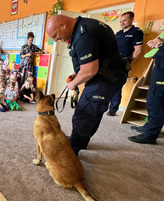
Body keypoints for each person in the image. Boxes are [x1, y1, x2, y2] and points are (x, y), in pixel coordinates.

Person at [46, 15, 128, 156]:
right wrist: (76, 74)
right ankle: (81, 142)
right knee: (93, 113)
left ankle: (73, 150)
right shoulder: (84, 26)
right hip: (105, 76)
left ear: (62, 24)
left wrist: (73, 83)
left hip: (105, 79)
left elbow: (90, 70)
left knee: (84, 113)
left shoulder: (85, 34)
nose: (54, 40)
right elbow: (91, 59)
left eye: (55, 35)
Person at [128, 36, 164, 144]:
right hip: (160, 67)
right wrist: (160, 43)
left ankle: (150, 135)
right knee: (152, 100)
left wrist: (160, 45)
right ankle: (149, 127)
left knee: (156, 102)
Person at [107, 11, 144, 116]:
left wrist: (128, 63)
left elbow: (138, 51)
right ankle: (106, 104)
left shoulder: (136, 32)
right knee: (108, 83)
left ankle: (113, 109)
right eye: (120, 21)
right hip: (113, 62)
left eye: (124, 20)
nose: (122, 23)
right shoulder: (118, 34)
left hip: (123, 63)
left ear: (132, 19)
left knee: (117, 86)